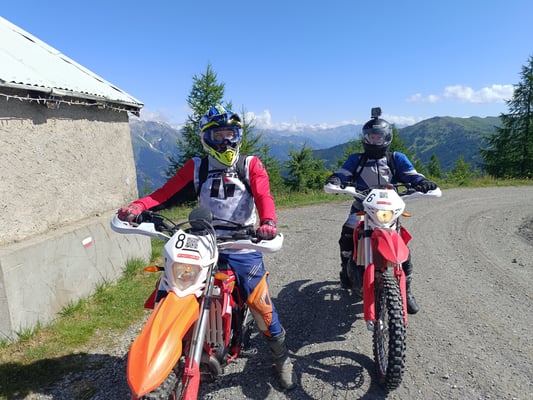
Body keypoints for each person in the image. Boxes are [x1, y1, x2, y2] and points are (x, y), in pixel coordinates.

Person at [117, 104, 296, 390]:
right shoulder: (197, 166)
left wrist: (268, 223)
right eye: (218, 136)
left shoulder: (250, 164)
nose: (226, 142)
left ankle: (281, 357)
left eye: (231, 134)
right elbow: (165, 194)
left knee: (260, 304)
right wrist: (138, 206)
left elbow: (264, 195)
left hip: (242, 244)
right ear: (206, 138)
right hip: (204, 243)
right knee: (173, 287)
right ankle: (165, 341)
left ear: (238, 136)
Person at [325, 107, 438, 314]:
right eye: (372, 137)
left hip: (389, 210)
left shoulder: (396, 158)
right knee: (347, 233)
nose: (375, 140)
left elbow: (412, 175)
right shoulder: (357, 159)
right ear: (365, 138)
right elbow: (343, 173)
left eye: (379, 137)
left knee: (401, 245)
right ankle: (345, 268)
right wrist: (336, 179)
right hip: (362, 207)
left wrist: (423, 182)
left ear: (387, 138)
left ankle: (407, 290)